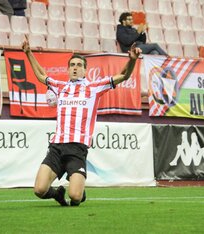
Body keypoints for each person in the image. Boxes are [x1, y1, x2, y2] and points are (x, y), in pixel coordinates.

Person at [22, 35, 142, 206]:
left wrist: (132, 61)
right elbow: (42, 76)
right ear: (68, 69)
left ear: (85, 70)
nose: (75, 68)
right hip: (57, 147)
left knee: (76, 197)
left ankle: (78, 189)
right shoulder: (60, 87)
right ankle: (57, 194)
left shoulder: (94, 87)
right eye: (72, 65)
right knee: (39, 190)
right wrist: (28, 53)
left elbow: (123, 75)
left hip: (77, 149)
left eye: (79, 65)